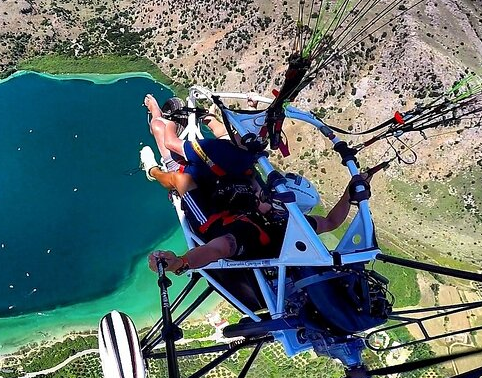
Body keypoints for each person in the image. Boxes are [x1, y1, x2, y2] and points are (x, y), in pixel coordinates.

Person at [140, 94, 373, 274]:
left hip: (211, 218)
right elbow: (331, 222)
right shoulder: (292, 224)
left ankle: (153, 170)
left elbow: (216, 249)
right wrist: (348, 194)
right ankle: (192, 121)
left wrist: (180, 263)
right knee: (240, 167)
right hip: (233, 202)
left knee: (175, 168)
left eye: (269, 198)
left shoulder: (248, 236)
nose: (265, 195)